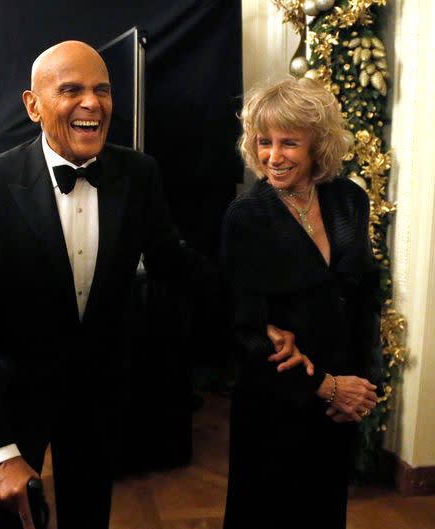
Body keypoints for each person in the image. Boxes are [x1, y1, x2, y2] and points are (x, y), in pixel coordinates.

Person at [0, 40, 194, 529]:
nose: (92, 103)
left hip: (99, 396)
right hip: (10, 398)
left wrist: (258, 317)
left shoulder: (139, 175)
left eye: (102, 90)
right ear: (33, 105)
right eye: (71, 90)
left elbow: (177, 269)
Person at [221, 78, 381, 529]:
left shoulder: (350, 199)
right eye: (263, 142)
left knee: (324, 513)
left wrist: (359, 385)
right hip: (278, 403)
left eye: (289, 142)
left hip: (339, 404)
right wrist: (325, 386)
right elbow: (245, 329)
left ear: (318, 145)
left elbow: (365, 295)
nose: (273, 156)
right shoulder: (247, 216)